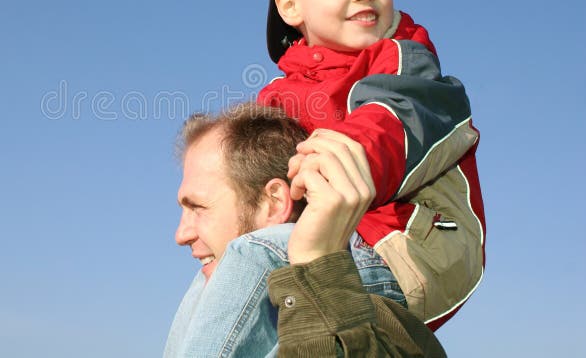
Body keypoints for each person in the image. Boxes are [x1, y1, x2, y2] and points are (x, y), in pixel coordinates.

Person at [257, 0, 486, 329]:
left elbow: (394, 118)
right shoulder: (276, 96)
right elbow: (246, 168)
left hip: (415, 246)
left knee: (256, 259)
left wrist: (343, 157)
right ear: (289, 5)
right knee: (235, 264)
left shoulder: (406, 56)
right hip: (333, 240)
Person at [165, 103, 445, 357]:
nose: (181, 234)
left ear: (273, 203)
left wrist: (317, 264)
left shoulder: (385, 327)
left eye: (198, 207)